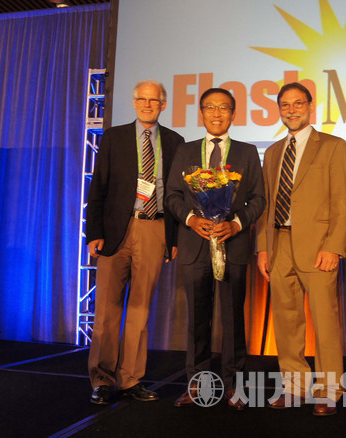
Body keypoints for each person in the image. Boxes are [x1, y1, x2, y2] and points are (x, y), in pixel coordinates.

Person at [165, 88, 265, 410]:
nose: (217, 113)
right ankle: (197, 384)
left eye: (224, 108)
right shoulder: (185, 151)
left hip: (232, 245)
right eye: (210, 107)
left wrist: (236, 224)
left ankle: (235, 385)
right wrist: (192, 219)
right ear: (201, 113)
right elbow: (172, 196)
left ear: (233, 114)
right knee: (197, 319)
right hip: (195, 245)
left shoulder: (247, 152)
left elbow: (259, 199)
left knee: (233, 319)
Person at [86, 79, 184, 405]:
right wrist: (93, 232)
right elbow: (98, 187)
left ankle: (130, 379)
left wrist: (173, 237)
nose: (147, 105)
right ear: (134, 102)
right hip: (116, 229)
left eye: (153, 100)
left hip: (155, 229)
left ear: (163, 105)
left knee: (140, 311)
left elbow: (176, 195)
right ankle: (102, 380)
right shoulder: (114, 137)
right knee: (107, 311)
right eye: (142, 99)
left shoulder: (175, 141)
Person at [256, 82, 346, 416]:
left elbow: (341, 202)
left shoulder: (333, 145)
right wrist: (263, 248)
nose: (291, 110)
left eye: (298, 103)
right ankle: (294, 387)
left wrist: (334, 246)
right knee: (286, 320)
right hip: (279, 242)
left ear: (310, 106)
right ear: (279, 110)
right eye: (285, 104)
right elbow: (267, 205)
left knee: (324, 321)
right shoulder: (272, 152)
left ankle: (329, 390)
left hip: (318, 245)